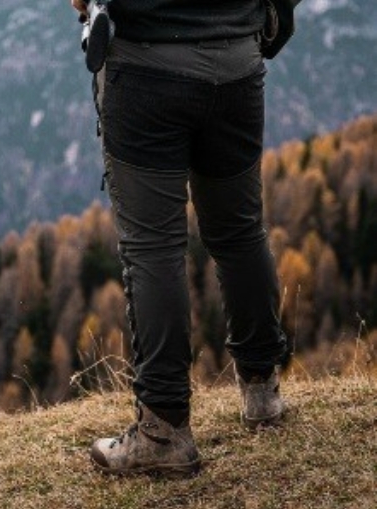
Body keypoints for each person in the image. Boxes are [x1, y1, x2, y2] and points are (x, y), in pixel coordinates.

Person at [69, 0, 290, 477]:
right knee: (240, 231)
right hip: (236, 63)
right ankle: (262, 389)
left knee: (153, 248)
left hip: (146, 69)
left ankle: (163, 429)